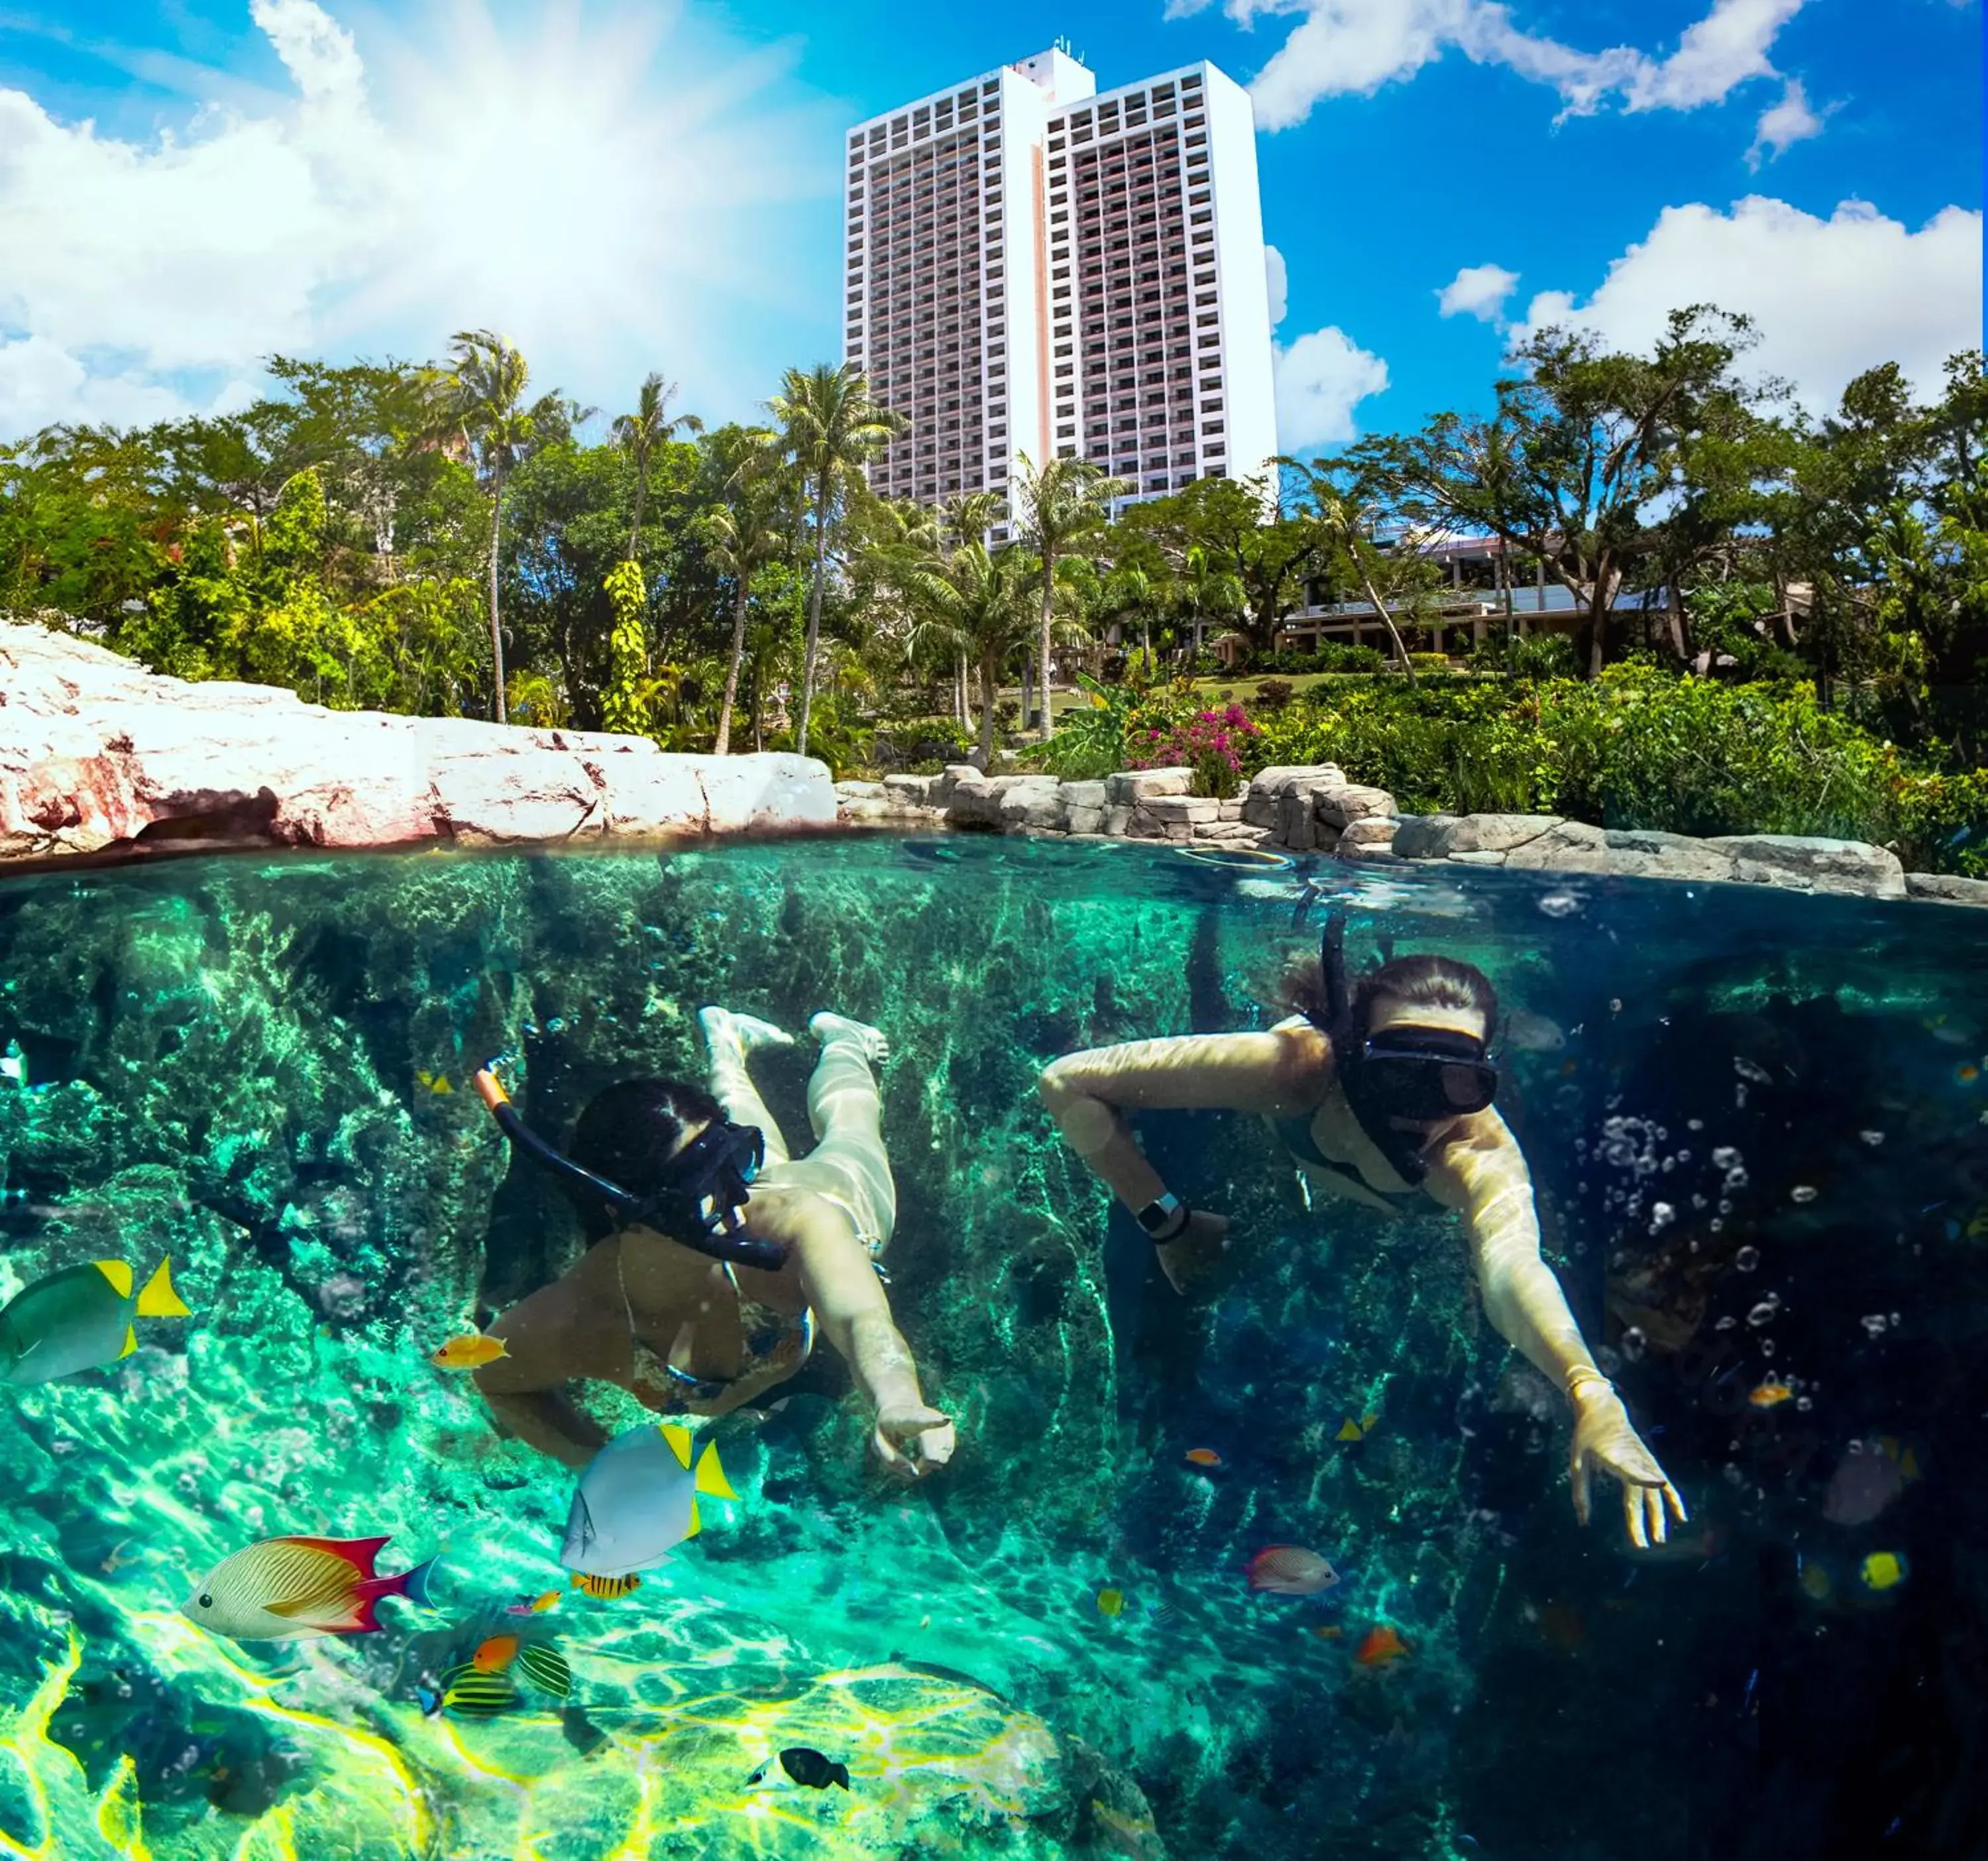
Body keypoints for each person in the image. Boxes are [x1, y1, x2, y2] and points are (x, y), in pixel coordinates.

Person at [1036, 915, 1685, 1549]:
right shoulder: (1297, 1069)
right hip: (1278, 1156)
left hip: (1394, 1217)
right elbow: (1065, 1081)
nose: (1421, 1110)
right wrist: (1167, 1222)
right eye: (1399, 1075)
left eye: (1456, 1082)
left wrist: (1588, 1389)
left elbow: (1513, 1266)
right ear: (1352, 1051)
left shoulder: (1474, 1150)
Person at [472, 1009, 954, 1483]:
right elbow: (497, 1381)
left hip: (833, 1198)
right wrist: (599, 1463)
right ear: (623, 1209)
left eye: (738, 1158)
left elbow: (861, 1322)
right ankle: (726, 1040)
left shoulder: (794, 1223)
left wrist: (896, 1398)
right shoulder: (583, 1313)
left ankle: (843, 1040)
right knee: (764, 1166)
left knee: (852, 1129)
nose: (737, 1196)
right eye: (702, 1182)